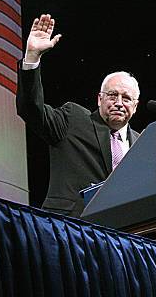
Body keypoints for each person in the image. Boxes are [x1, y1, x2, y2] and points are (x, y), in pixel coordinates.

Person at [16, 14, 140, 217]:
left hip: (125, 234)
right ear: (99, 99)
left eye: (126, 98)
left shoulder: (142, 143)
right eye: (112, 95)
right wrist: (32, 57)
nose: (118, 102)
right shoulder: (73, 119)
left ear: (135, 106)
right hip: (71, 229)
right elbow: (31, 109)